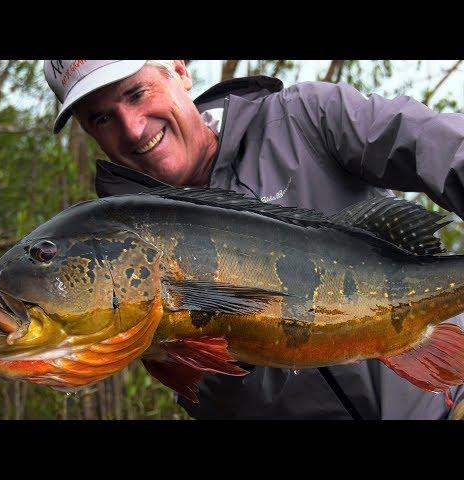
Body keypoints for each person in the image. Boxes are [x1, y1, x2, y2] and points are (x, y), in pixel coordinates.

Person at [43, 59, 464, 420]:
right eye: (101, 117)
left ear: (177, 69)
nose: (132, 129)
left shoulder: (306, 119)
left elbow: (441, 146)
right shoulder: (113, 253)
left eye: (136, 93)